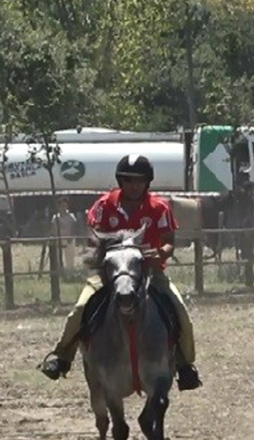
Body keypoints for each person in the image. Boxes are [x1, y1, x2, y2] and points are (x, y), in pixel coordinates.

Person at [38, 155, 203, 390]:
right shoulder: (104, 206)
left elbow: (169, 242)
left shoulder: (159, 208)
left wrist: (161, 254)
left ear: (148, 182)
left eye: (139, 181)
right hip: (110, 275)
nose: (133, 185)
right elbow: (93, 236)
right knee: (78, 310)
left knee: (182, 314)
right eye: (128, 180)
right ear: (120, 180)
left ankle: (186, 365)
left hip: (150, 274)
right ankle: (62, 357)